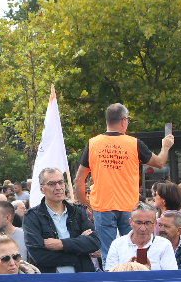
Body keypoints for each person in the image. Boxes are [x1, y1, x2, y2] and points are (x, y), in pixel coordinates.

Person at [72, 103, 175, 259]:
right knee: (134, 250)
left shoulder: (93, 144)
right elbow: (160, 162)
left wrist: (84, 206)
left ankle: (110, 274)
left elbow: (79, 180)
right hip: (129, 206)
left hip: (103, 206)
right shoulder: (134, 143)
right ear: (123, 120)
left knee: (108, 254)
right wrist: (166, 146)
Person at [24, 168, 101, 274]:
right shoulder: (32, 217)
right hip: (52, 280)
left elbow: (94, 242)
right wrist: (79, 249)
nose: (58, 187)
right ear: (42, 189)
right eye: (51, 184)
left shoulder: (77, 211)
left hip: (83, 278)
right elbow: (39, 256)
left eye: (61, 182)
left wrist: (62, 244)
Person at [103, 205, 177, 271]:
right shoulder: (117, 244)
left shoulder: (164, 245)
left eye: (148, 223)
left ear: (155, 223)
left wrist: (146, 271)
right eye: (138, 223)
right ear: (130, 222)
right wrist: (130, 268)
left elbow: (171, 276)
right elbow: (110, 275)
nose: (143, 228)